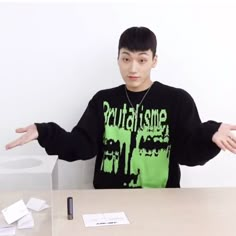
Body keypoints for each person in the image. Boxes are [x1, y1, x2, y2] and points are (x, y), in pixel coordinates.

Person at [5, 26, 236, 188]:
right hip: (110, 202)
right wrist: (44, 132)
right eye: (126, 59)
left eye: (142, 60)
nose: (133, 68)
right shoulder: (103, 101)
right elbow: (82, 145)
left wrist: (210, 135)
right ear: (118, 59)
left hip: (163, 201)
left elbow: (188, 153)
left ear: (154, 60)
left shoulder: (177, 100)